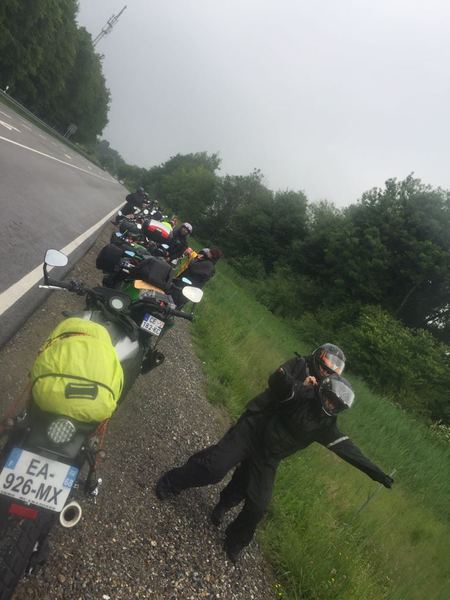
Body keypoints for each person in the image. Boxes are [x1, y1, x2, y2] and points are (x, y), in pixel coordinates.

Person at [155, 345, 394, 563]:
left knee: (257, 503)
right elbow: (277, 384)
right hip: (253, 428)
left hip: (270, 454)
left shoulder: (326, 420)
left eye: (331, 374)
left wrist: (377, 474)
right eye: (324, 368)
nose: (325, 374)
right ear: (317, 359)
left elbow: (347, 449)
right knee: (215, 467)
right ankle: (172, 482)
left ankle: (234, 539)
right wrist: (301, 387)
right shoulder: (300, 368)